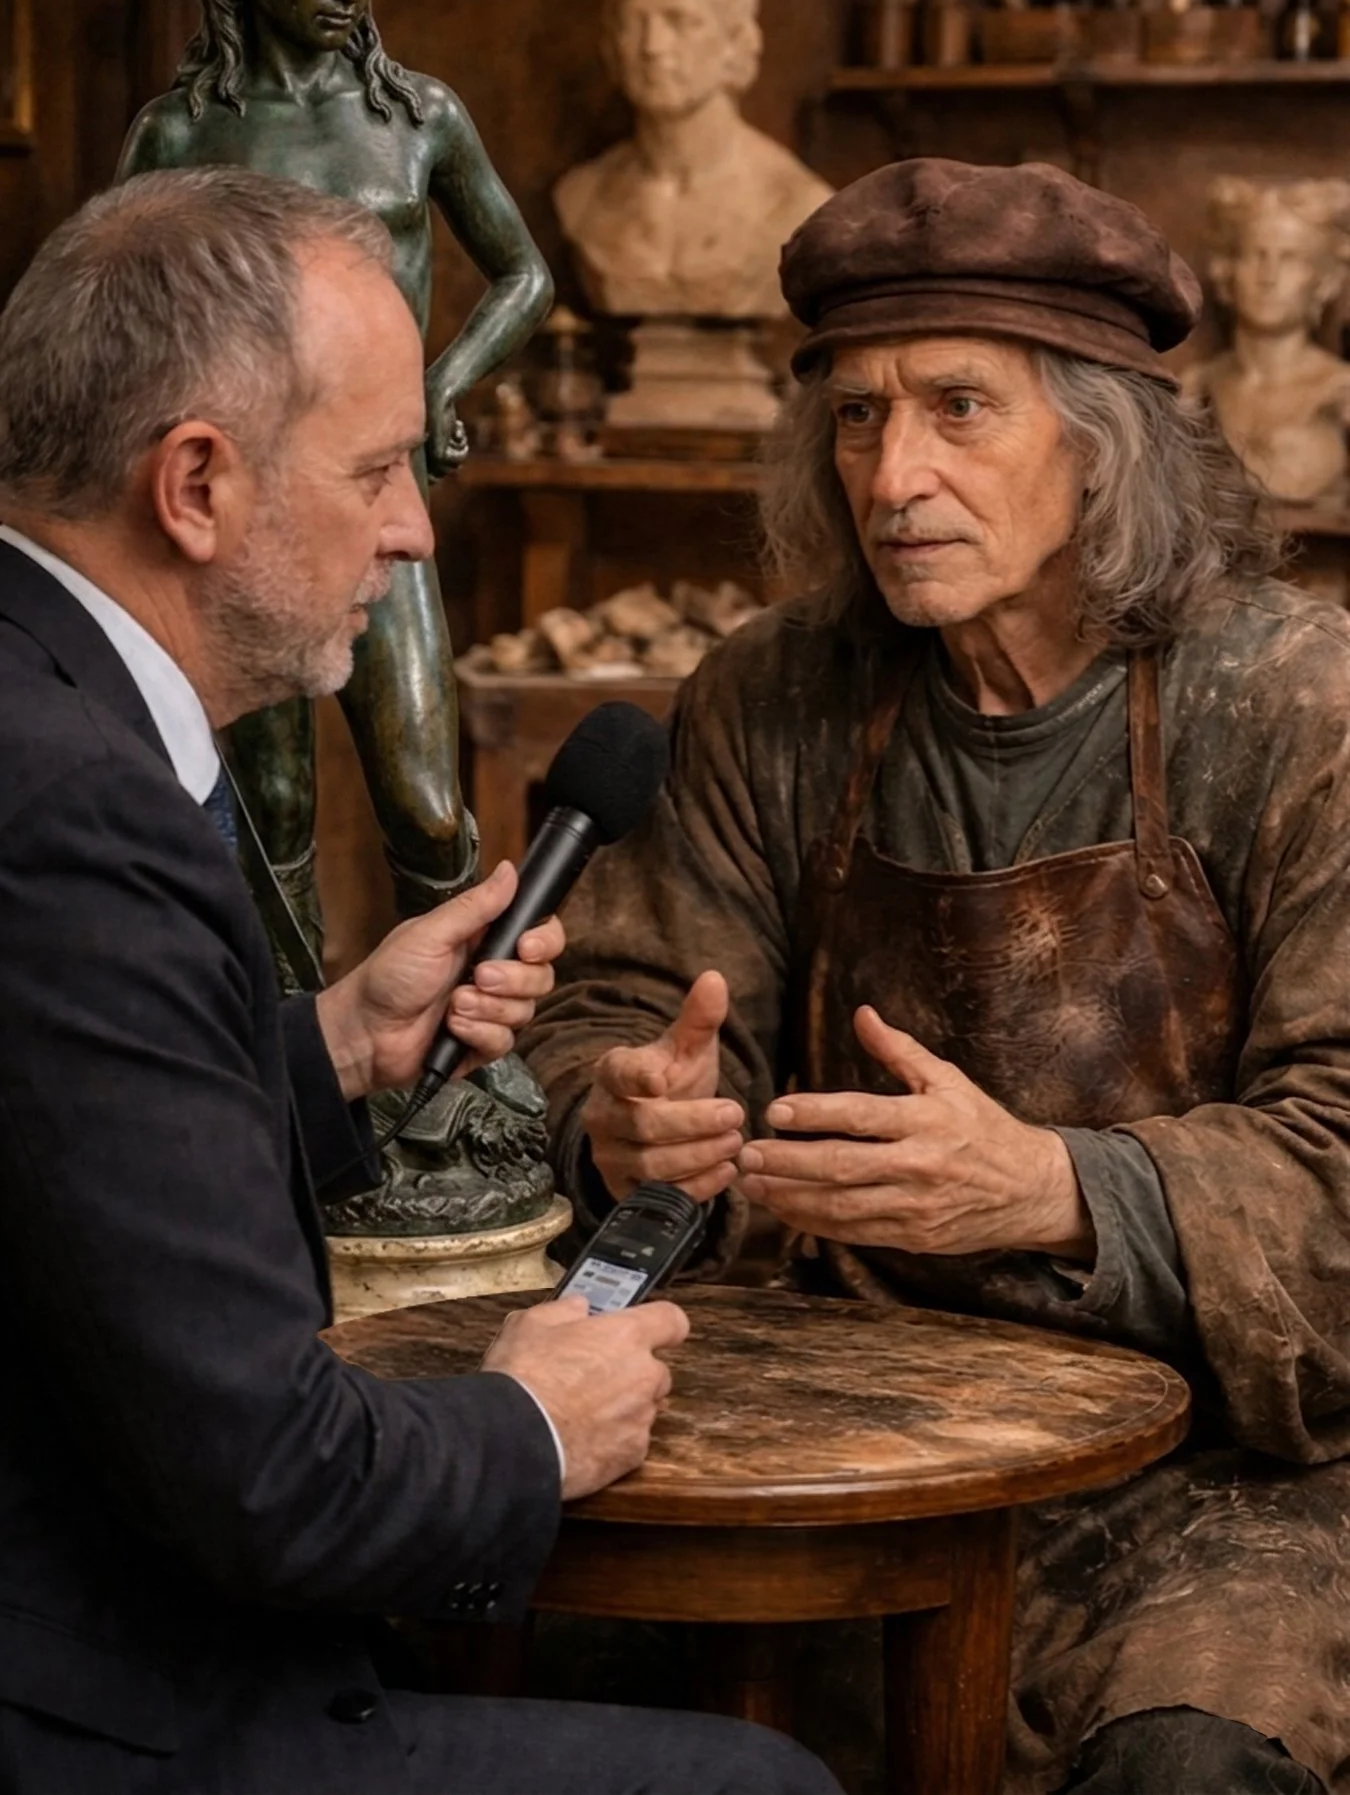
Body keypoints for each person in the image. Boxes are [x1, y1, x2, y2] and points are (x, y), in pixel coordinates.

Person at [0, 166, 839, 1795]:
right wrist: (530, 1421)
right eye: (381, 465)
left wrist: (329, 1044)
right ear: (196, 485)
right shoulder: (75, 807)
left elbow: (53, 1135)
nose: (411, 525)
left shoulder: (41, 699)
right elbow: (269, 1480)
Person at [521, 157, 1350, 1795]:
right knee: (484, 1662)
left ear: (1103, 446)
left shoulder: (1299, 704)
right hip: (851, 1422)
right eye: (853, 415)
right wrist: (620, 1123)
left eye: (958, 407)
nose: (891, 473)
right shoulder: (776, 695)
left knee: (1184, 1769)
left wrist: (1053, 1185)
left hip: (1223, 1471)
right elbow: (609, 1024)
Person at [119, 0, 554, 963]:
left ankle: (463, 1056)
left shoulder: (416, 121)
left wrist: (447, 381)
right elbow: (118, 324)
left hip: (377, 495)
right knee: (272, 810)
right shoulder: (177, 137)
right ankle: (293, 1047)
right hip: (241, 515)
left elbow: (522, 274)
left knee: (420, 794)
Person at [553, 0, 831, 320]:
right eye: (634, 23)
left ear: (734, 41)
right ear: (612, 44)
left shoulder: (796, 204)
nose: (653, 46)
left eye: (679, 21)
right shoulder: (581, 197)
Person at [1181, 174, 1350, 502]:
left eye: (1290, 259)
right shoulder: (1195, 389)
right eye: (1255, 254)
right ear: (1228, 267)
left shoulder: (1341, 392)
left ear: (1324, 280)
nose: (1268, 276)